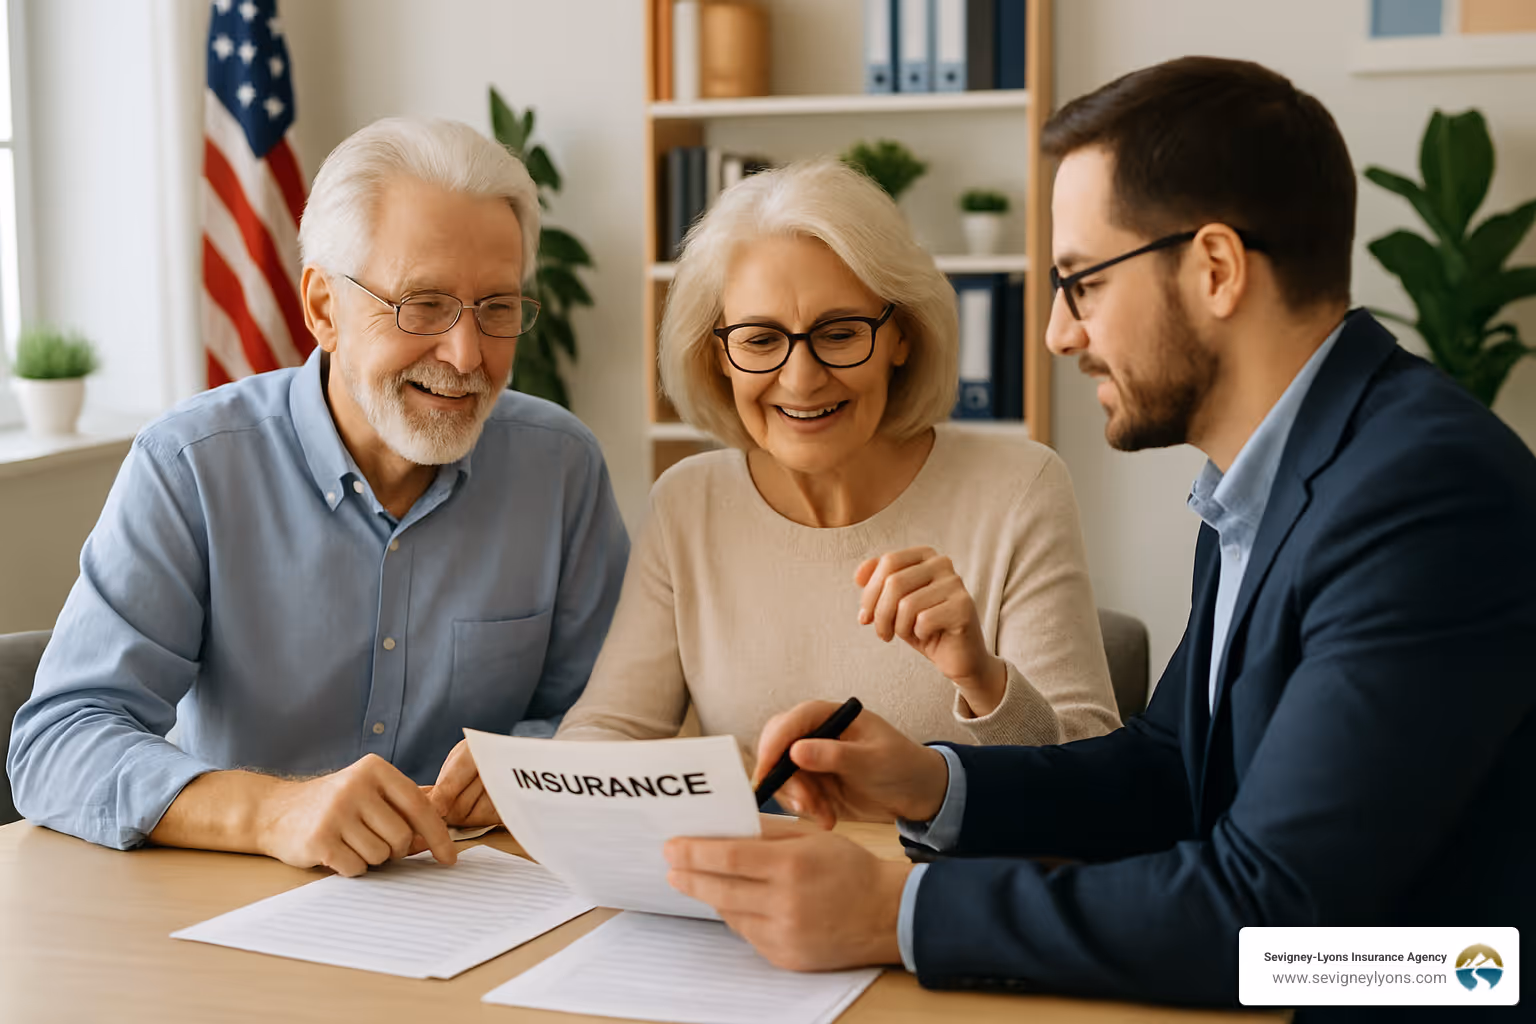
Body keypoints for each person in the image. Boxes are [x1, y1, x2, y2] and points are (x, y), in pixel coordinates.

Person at [660, 57, 1536, 1013]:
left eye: (1079, 281)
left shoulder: (1419, 494)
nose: (1055, 334)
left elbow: (1278, 920)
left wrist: (899, 912)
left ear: (1215, 269)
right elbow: (1169, 772)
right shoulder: (1278, 476)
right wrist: (929, 783)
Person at [7, 117, 629, 876]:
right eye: (422, 304)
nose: (466, 355)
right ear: (324, 309)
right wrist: (273, 811)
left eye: (496, 308)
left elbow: (611, 719)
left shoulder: (561, 469)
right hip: (230, 913)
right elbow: (59, 742)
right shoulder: (190, 467)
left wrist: (531, 769)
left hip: (478, 905)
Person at [529, 159, 1116, 787]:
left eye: (839, 333)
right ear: (717, 355)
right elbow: (609, 728)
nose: (802, 379)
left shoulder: (1018, 487)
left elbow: (1095, 778)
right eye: (760, 339)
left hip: (936, 883)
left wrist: (982, 679)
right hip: (760, 876)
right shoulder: (687, 502)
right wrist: (533, 776)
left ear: (903, 337)